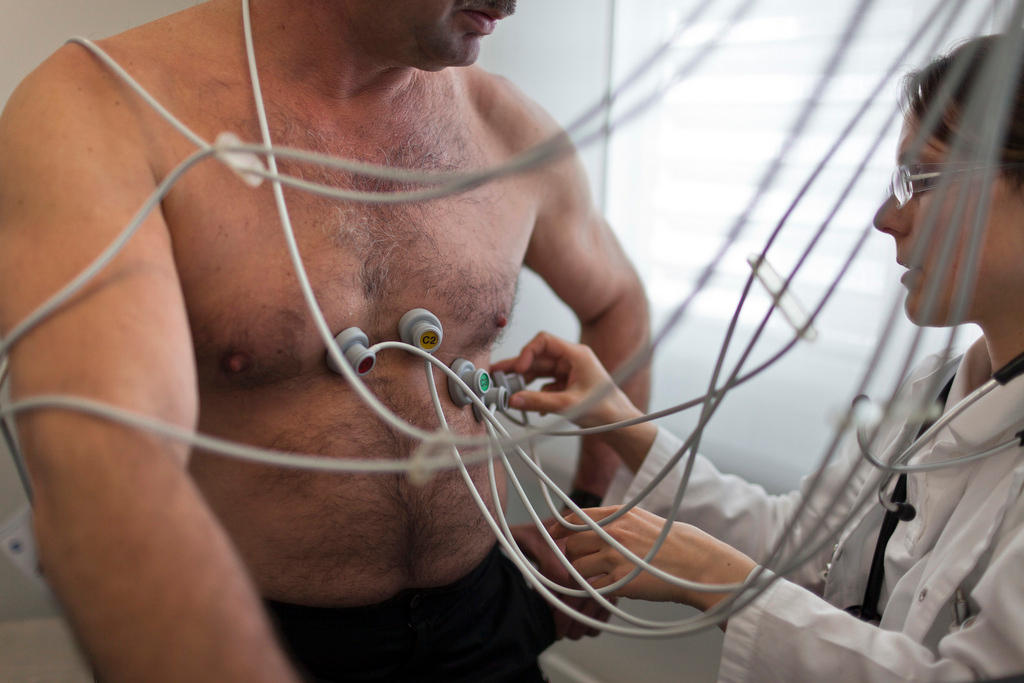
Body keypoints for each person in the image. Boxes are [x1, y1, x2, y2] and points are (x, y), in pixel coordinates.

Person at [0, 1, 650, 681]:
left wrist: (591, 518)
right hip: (252, 633)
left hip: (484, 620)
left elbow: (617, 300)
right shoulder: (109, 105)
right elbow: (106, 474)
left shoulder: (506, 130)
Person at [493, 34, 1024, 680]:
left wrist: (711, 575)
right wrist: (622, 424)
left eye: (919, 179)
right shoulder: (937, 393)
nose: (888, 217)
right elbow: (798, 541)